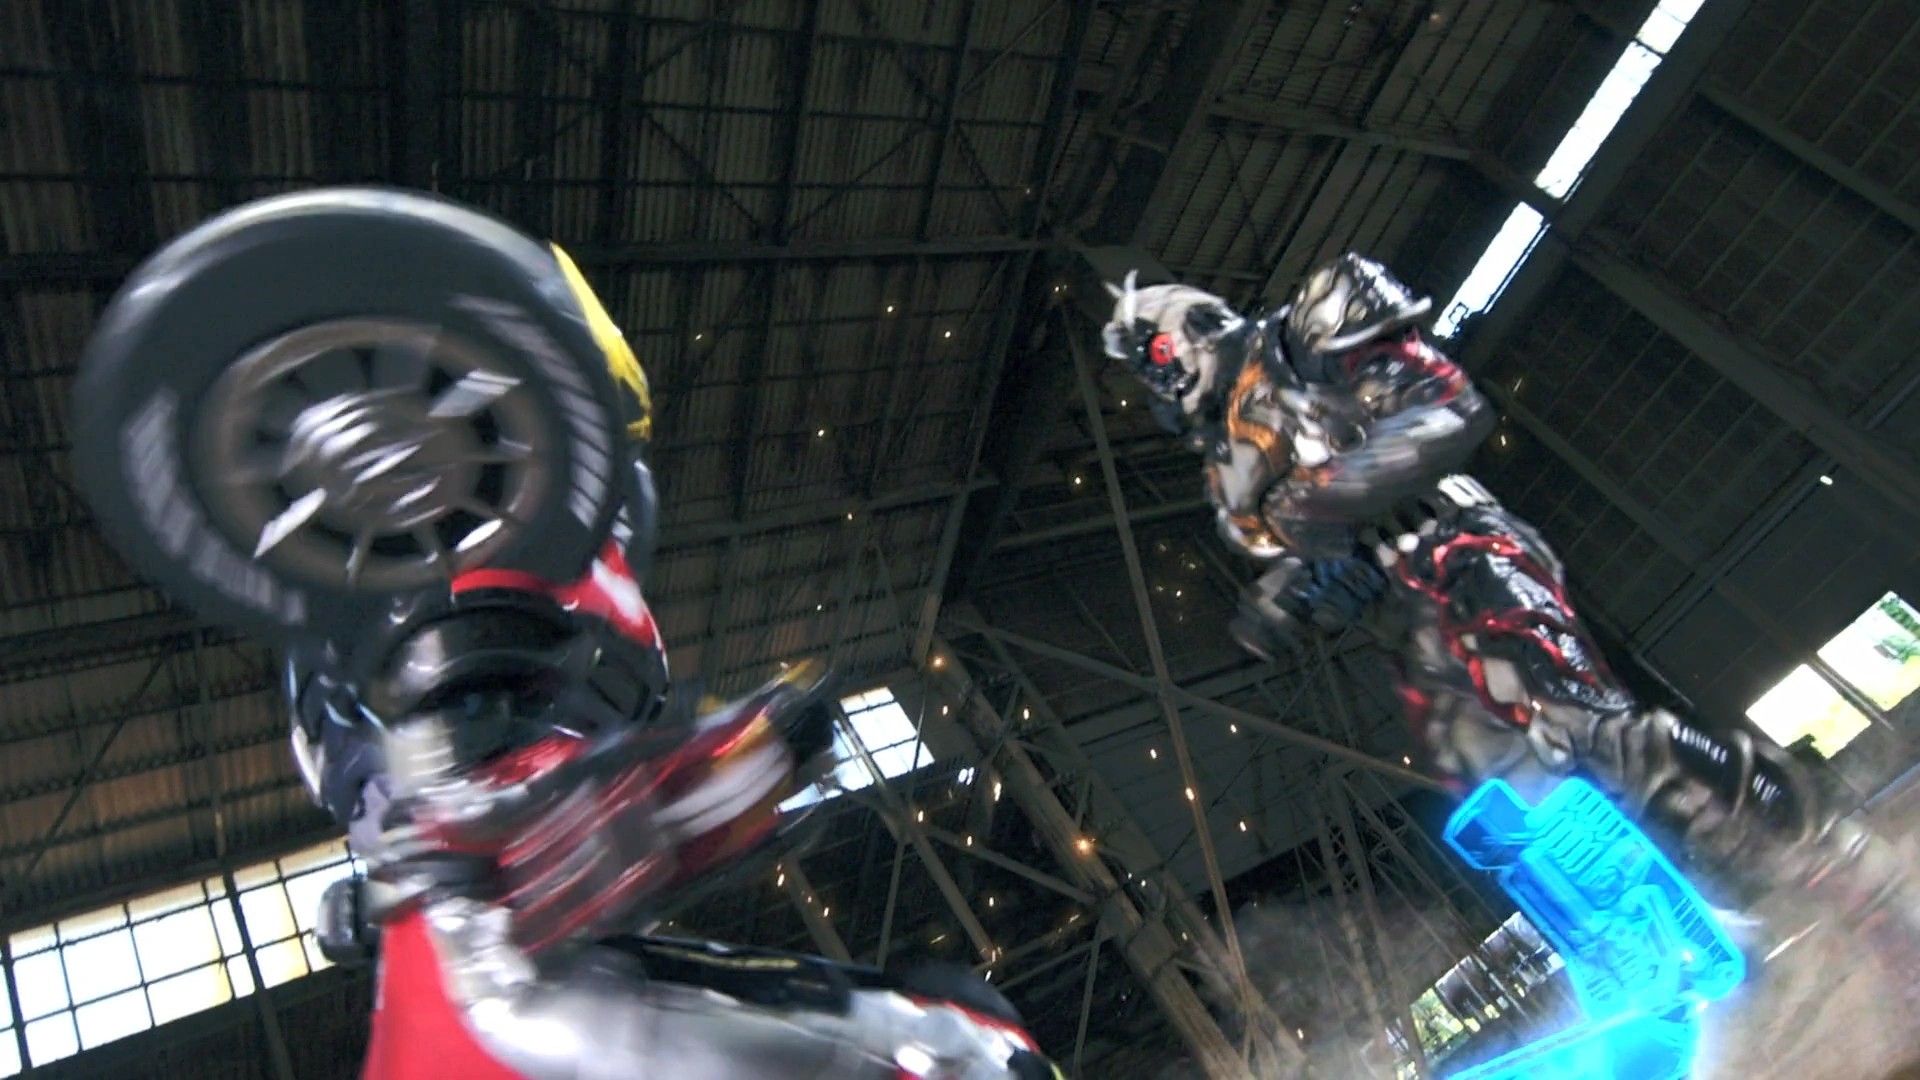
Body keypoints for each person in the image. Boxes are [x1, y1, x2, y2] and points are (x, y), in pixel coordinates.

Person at [278, 248, 1064, 1080]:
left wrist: (724, 765)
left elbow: (629, 775)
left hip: (535, 945)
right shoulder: (397, 593)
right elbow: (415, 782)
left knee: (963, 1036)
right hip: (497, 946)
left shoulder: (569, 567)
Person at [1100, 256, 1920, 960]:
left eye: (1155, 350)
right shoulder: (1229, 482)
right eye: (1143, 366)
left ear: (1188, 325)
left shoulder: (1303, 336)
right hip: (1408, 630)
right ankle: (1678, 938)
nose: (1157, 375)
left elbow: (1449, 407)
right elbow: (1315, 559)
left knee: (1585, 731)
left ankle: (1832, 855)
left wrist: (1325, 502)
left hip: (1463, 553)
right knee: (1522, 809)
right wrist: (1295, 591)